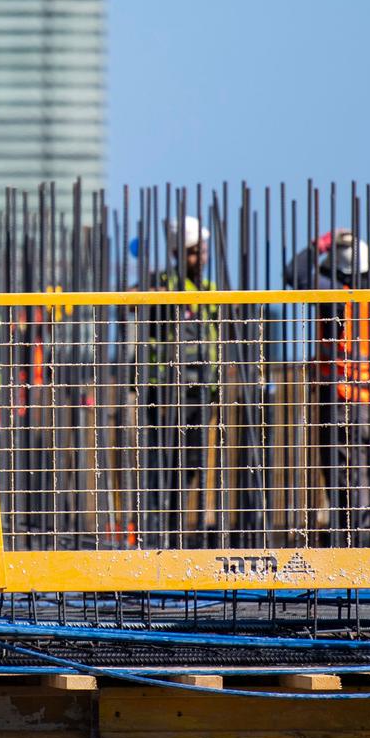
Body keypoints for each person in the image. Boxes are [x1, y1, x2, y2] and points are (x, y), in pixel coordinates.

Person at [290, 229, 370, 547]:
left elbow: (295, 274)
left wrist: (322, 243)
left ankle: (353, 551)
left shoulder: (337, 296)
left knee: (348, 483)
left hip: (345, 402)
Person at [139, 215, 220, 547]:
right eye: (194, 252)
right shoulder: (162, 282)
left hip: (201, 388)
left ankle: (177, 535)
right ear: (178, 253)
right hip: (166, 390)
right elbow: (129, 299)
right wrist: (159, 295)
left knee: (191, 464)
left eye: (203, 250)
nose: (201, 257)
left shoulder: (209, 289)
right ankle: (158, 537)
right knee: (162, 465)